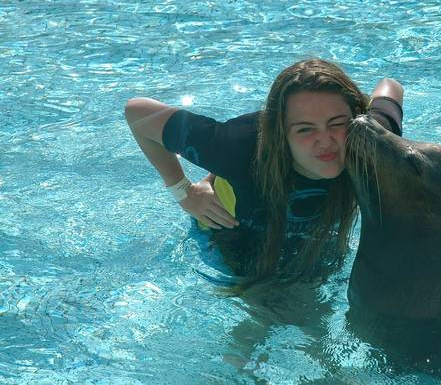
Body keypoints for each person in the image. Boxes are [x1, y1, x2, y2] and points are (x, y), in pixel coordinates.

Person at [125, 59, 403, 285]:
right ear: (279, 132)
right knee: (252, 329)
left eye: (336, 123)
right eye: (305, 129)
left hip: (312, 241)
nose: (326, 140)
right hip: (231, 237)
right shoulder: (236, 148)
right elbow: (137, 112)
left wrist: (368, 116)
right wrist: (182, 191)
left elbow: (391, 85)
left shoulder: (369, 139)